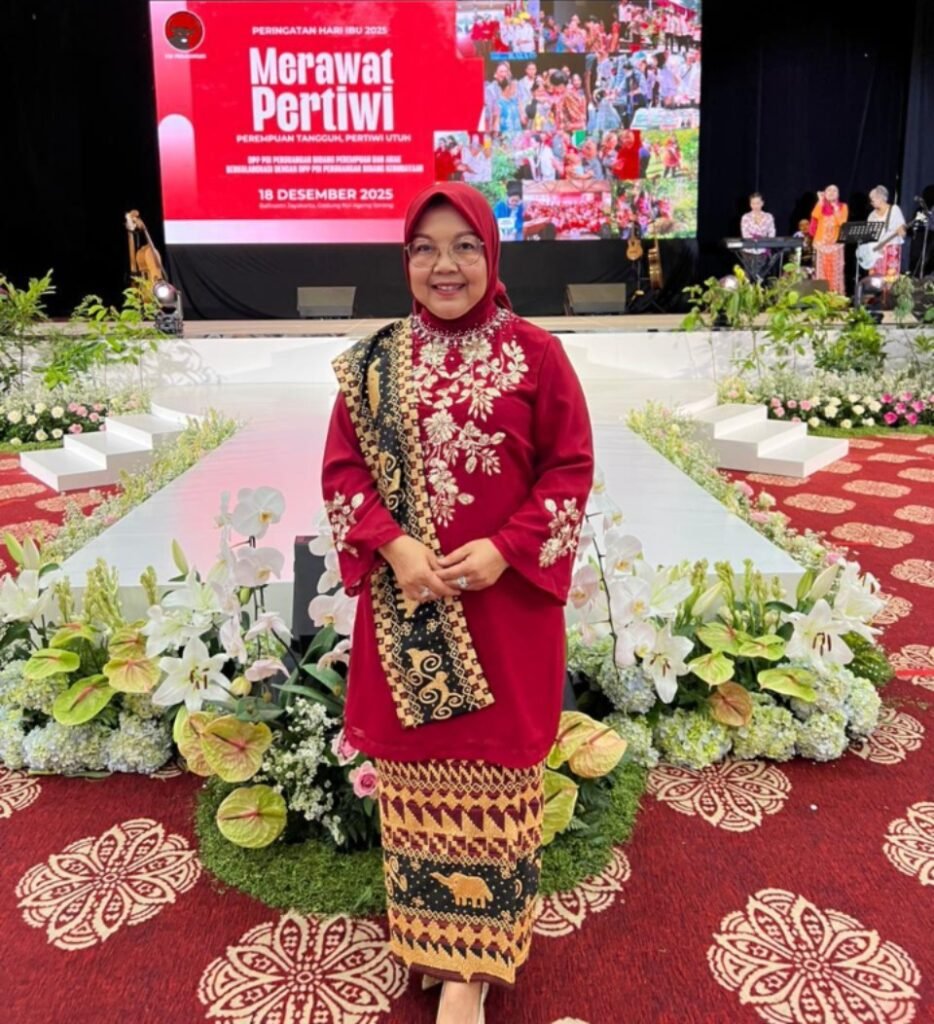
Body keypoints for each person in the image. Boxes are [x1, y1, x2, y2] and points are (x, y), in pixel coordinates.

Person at [321, 182, 595, 1024]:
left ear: (491, 253)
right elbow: (343, 474)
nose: (445, 266)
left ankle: (470, 972)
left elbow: (569, 471)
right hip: (410, 612)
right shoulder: (373, 365)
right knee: (416, 789)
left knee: (497, 784)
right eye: (426, 249)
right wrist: (394, 546)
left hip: (506, 618)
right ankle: (432, 946)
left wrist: (507, 548)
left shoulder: (538, 356)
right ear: (406, 260)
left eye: (465, 246)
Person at [857, 184, 906, 279]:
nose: (871, 202)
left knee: (889, 277)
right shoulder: (872, 215)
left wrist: (901, 231)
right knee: (875, 278)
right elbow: (870, 235)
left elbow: (902, 232)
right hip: (876, 250)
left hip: (891, 248)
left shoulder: (894, 210)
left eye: (872, 200)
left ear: (880, 198)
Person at [809, 184, 849, 293]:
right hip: (821, 245)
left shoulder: (843, 207)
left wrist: (835, 208)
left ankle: (835, 296)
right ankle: (821, 296)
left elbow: (842, 223)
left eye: (834, 190)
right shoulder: (821, 206)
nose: (831, 192)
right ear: (825, 193)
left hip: (835, 246)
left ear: (838, 194)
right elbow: (815, 216)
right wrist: (820, 201)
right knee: (821, 273)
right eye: (829, 190)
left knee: (835, 273)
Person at [740, 192, 776, 279]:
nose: (755, 206)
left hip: (763, 251)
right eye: (753, 203)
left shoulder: (768, 216)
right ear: (750, 204)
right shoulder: (746, 217)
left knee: (760, 276)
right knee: (748, 277)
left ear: (762, 203)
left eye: (758, 203)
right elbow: (745, 234)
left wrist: (768, 241)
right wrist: (756, 239)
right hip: (748, 251)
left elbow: (772, 232)